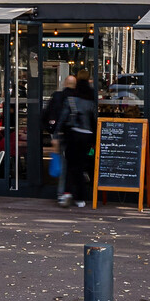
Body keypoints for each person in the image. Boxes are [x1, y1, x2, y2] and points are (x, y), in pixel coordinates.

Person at [59, 71, 98, 208]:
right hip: (87, 136)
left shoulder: (71, 99)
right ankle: (80, 198)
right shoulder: (90, 100)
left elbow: (64, 117)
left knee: (70, 164)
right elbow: (94, 120)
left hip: (73, 134)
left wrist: (58, 133)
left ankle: (68, 192)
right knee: (81, 166)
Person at [42, 71, 76, 193]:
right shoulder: (78, 98)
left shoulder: (57, 96)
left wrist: (51, 130)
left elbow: (46, 113)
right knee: (72, 164)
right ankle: (70, 191)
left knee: (61, 161)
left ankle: (62, 192)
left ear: (65, 83)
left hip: (58, 134)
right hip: (74, 135)